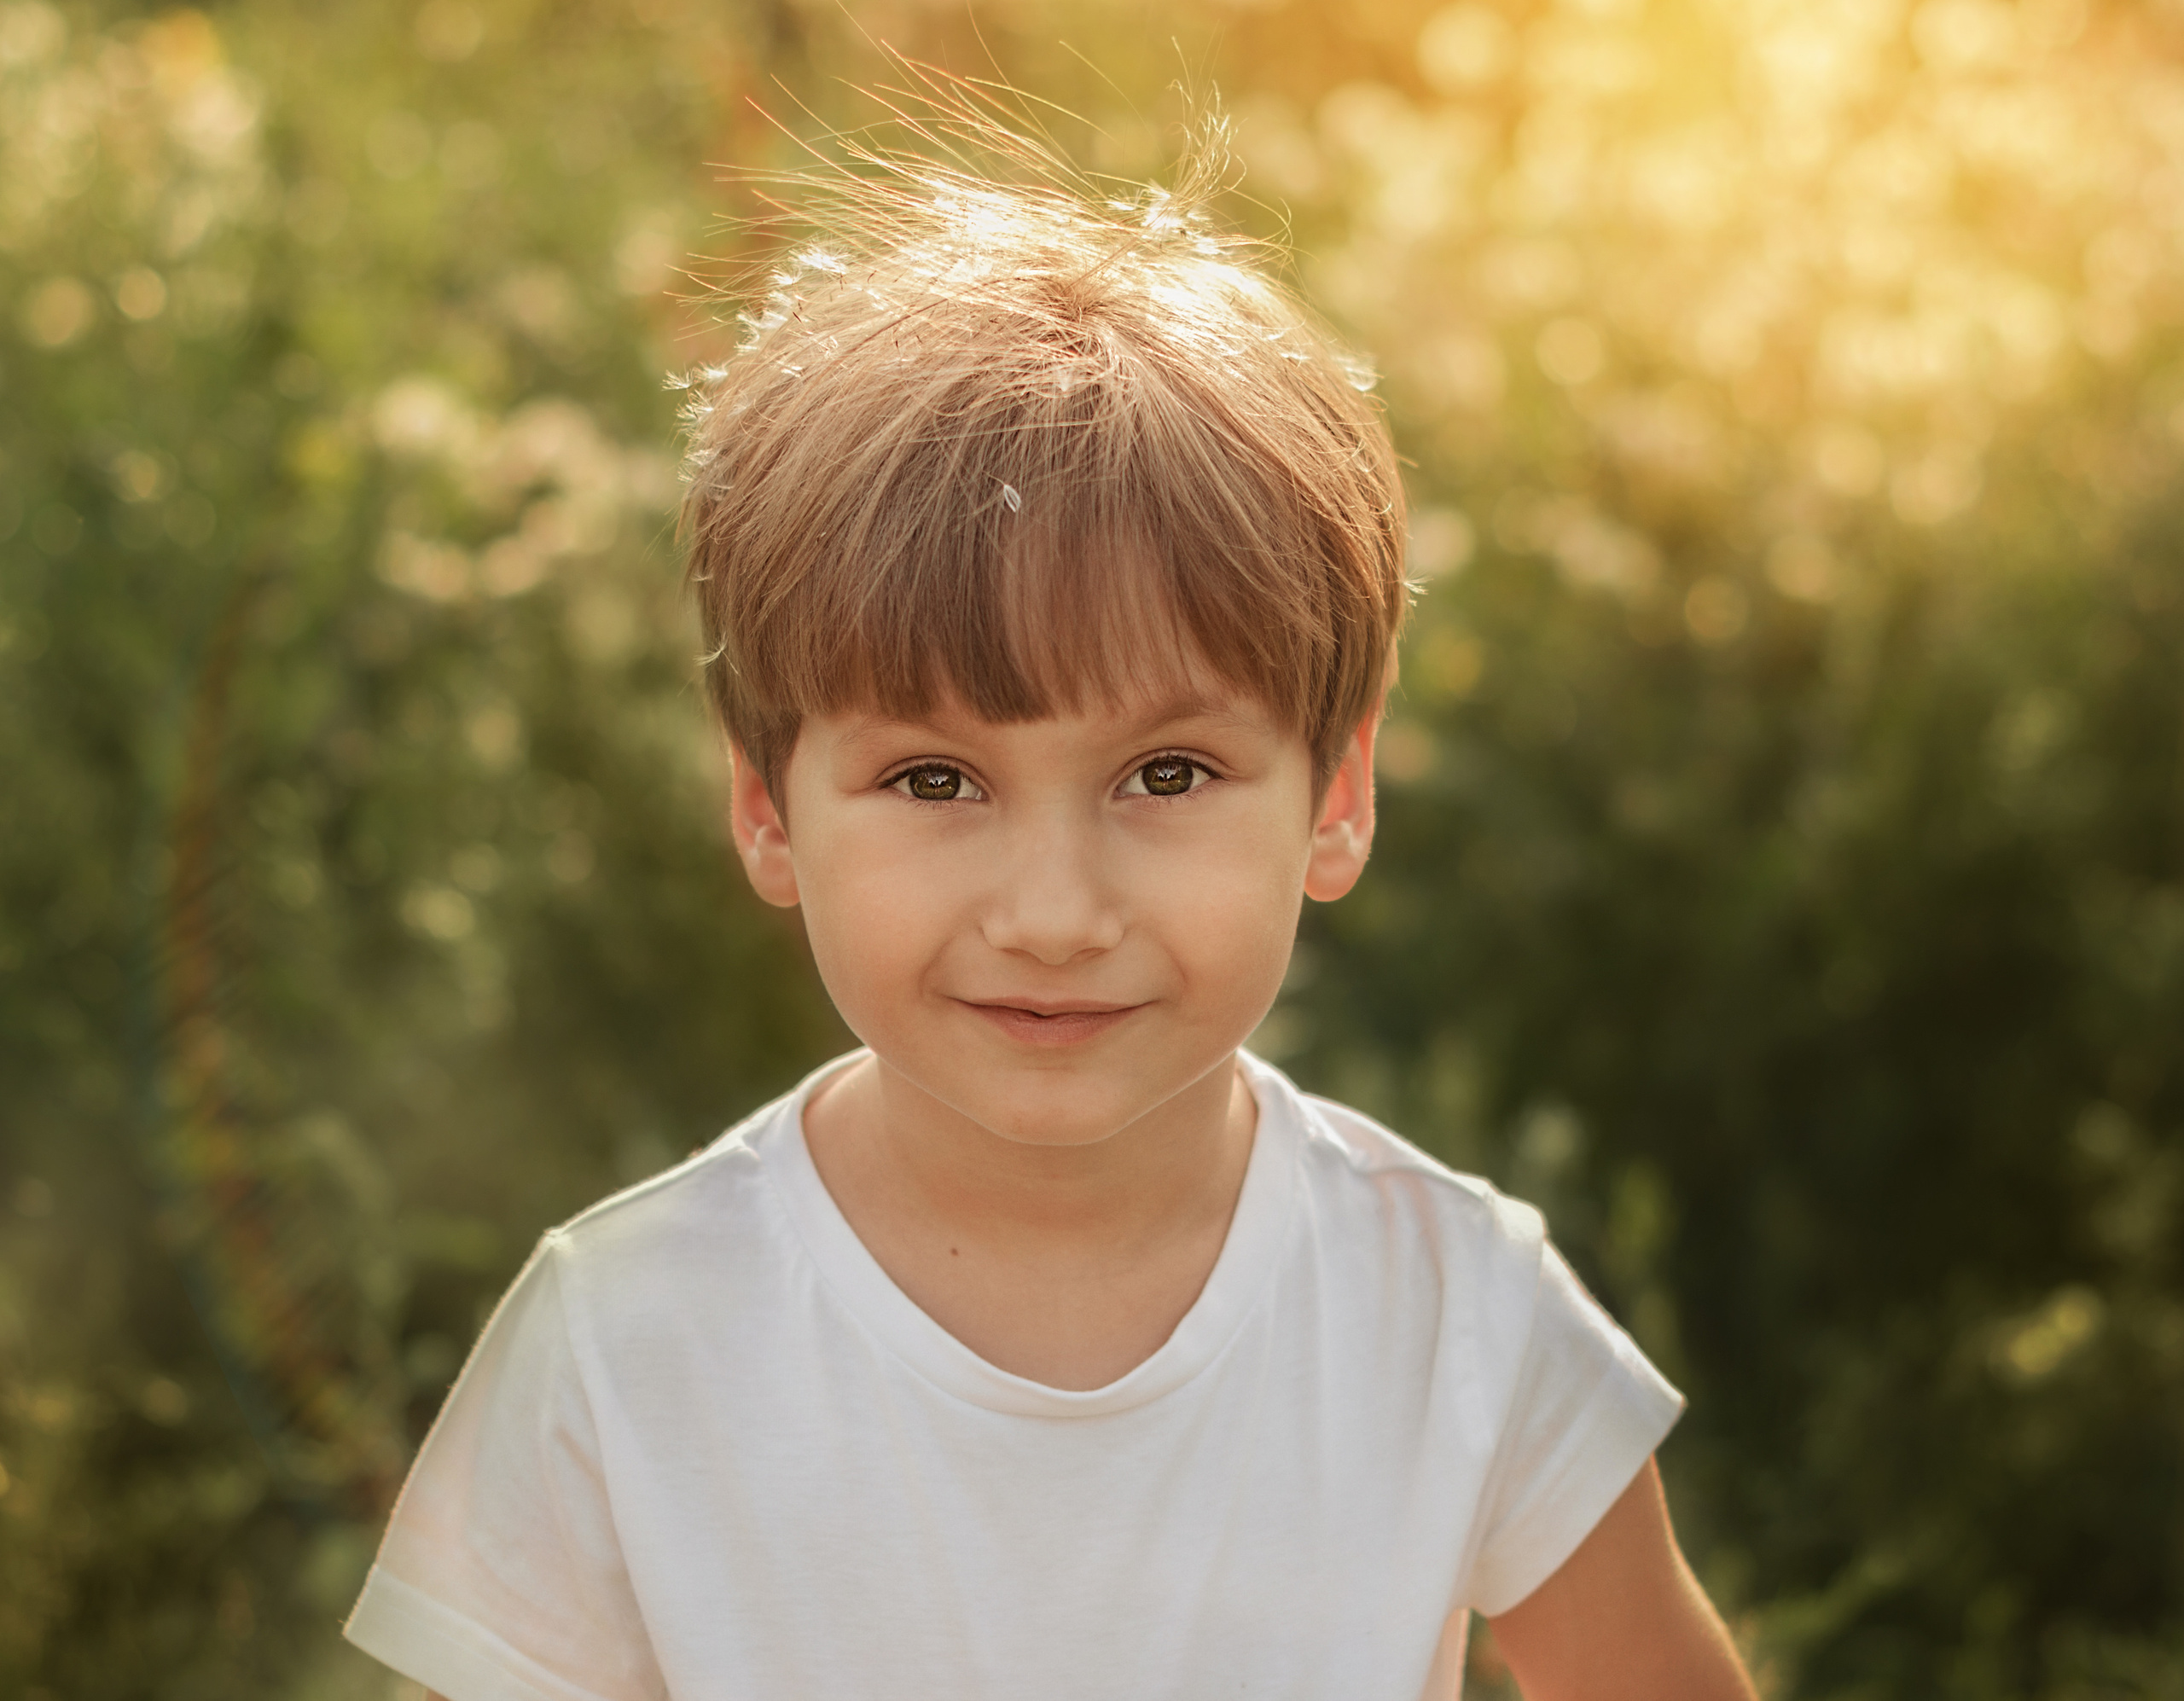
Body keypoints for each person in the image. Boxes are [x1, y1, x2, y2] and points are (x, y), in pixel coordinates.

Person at [343, 97, 1759, 1701]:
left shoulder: (1456, 1316)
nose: (1054, 909)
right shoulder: (627, 1342)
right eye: (936, 782)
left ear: (1338, 797)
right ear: (766, 810)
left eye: (1164, 775)